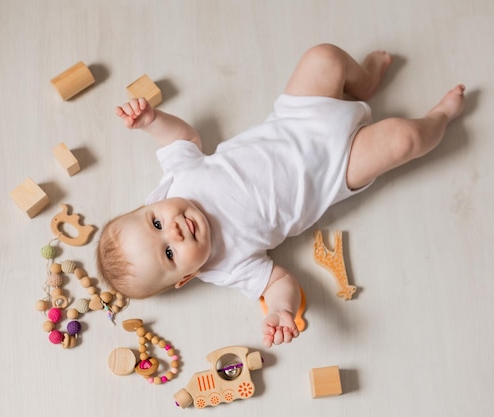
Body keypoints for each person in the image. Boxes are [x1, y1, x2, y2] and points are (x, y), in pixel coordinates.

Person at [97, 43, 465, 348]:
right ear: (186, 277)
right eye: (169, 253)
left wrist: (152, 122)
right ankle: (439, 120)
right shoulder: (225, 265)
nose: (173, 231)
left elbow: (184, 139)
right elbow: (277, 282)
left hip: (298, 117)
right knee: (404, 139)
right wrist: (280, 311)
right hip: (337, 168)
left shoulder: (177, 181)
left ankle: (364, 82)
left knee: (323, 57)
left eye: (156, 222)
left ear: (151, 204)